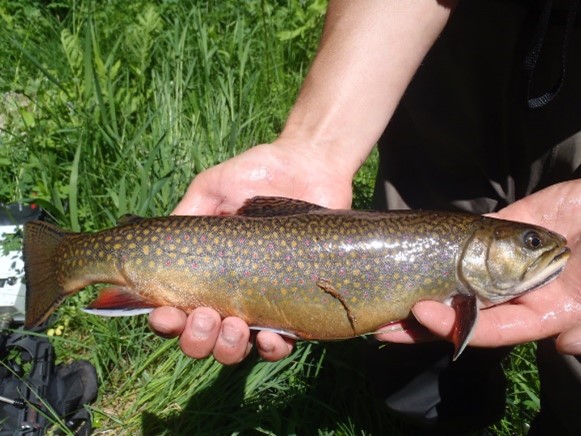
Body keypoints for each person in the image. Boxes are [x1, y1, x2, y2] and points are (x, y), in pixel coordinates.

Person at [149, 0, 581, 433]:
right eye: (530, 243)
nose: (539, 246)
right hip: (450, 56)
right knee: (416, 366)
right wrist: (314, 147)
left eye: (531, 244)